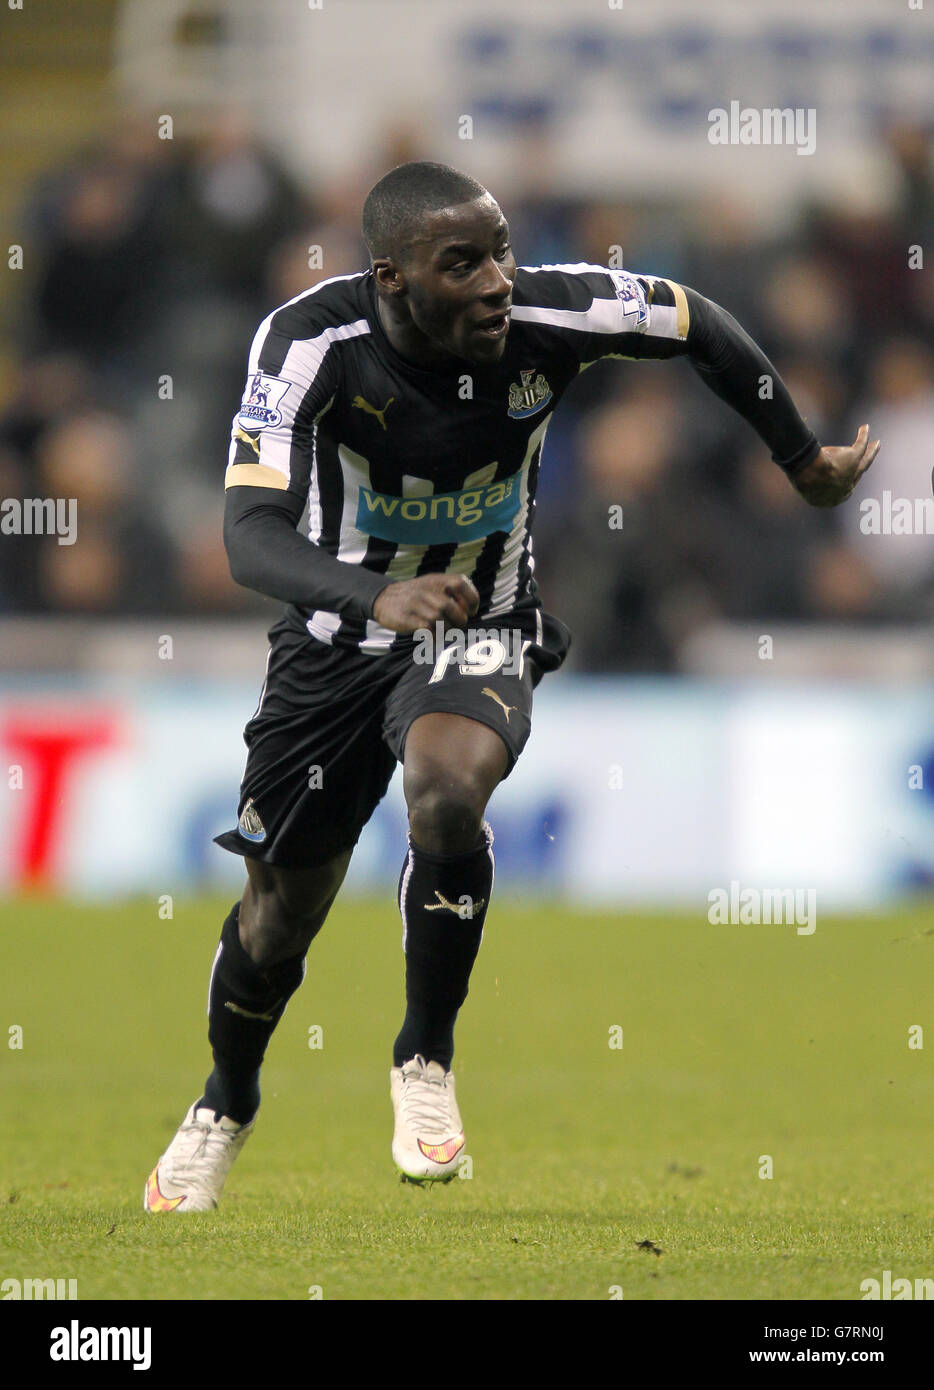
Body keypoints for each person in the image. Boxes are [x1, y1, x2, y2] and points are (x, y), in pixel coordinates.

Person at [144, 161, 879, 1210]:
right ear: (391, 278)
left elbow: (695, 321)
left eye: (501, 250)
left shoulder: (549, 310)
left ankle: (424, 1062)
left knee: (446, 790)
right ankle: (224, 1101)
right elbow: (248, 533)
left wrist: (799, 457)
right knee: (275, 920)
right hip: (333, 641)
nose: (496, 280)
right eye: (463, 263)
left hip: (481, 616)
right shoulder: (307, 345)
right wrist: (370, 597)